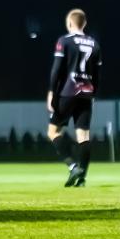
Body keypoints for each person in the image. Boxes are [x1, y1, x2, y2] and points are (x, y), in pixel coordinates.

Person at [47, 9, 102, 187]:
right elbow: (97, 75)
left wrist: (51, 92)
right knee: (83, 136)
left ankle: (73, 167)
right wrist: (94, 94)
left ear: (70, 23)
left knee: (53, 132)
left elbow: (56, 70)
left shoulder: (64, 41)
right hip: (86, 94)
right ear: (84, 23)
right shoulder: (94, 44)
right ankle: (82, 178)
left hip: (67, 92)